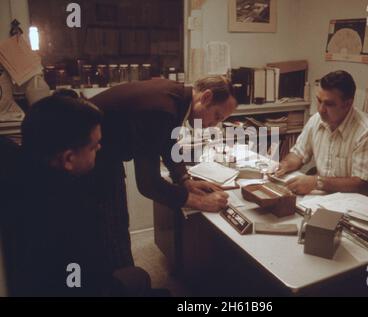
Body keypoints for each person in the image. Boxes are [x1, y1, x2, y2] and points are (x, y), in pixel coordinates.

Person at [3, 95, 152, 296]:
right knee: (139, 276)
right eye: (93, 146)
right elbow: (82, 285)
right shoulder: (72, 214)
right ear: (68, 159)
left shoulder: (14, 164)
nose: (100, 148)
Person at [89, 76, 237, 272]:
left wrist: (184, 180)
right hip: (89, 157)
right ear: (207, 97)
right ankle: (125, 285)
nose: (213, 125)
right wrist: (199, 201)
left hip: (103, 152)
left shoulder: (175, 97)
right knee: (111, 228)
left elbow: (166, 142)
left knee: (115, 224)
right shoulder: (161, 109)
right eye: (217, 116)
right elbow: (148, 184)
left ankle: (125, 280)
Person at [275, 70, 368, 195]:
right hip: (326, 196)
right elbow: (298, 154)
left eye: (328, 104)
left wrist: (316, 182)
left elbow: (362, 183)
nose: (321, 109)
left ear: (347, 104)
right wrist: (284, 165)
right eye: (319, 100)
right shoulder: (316, 120)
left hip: (359, 203)